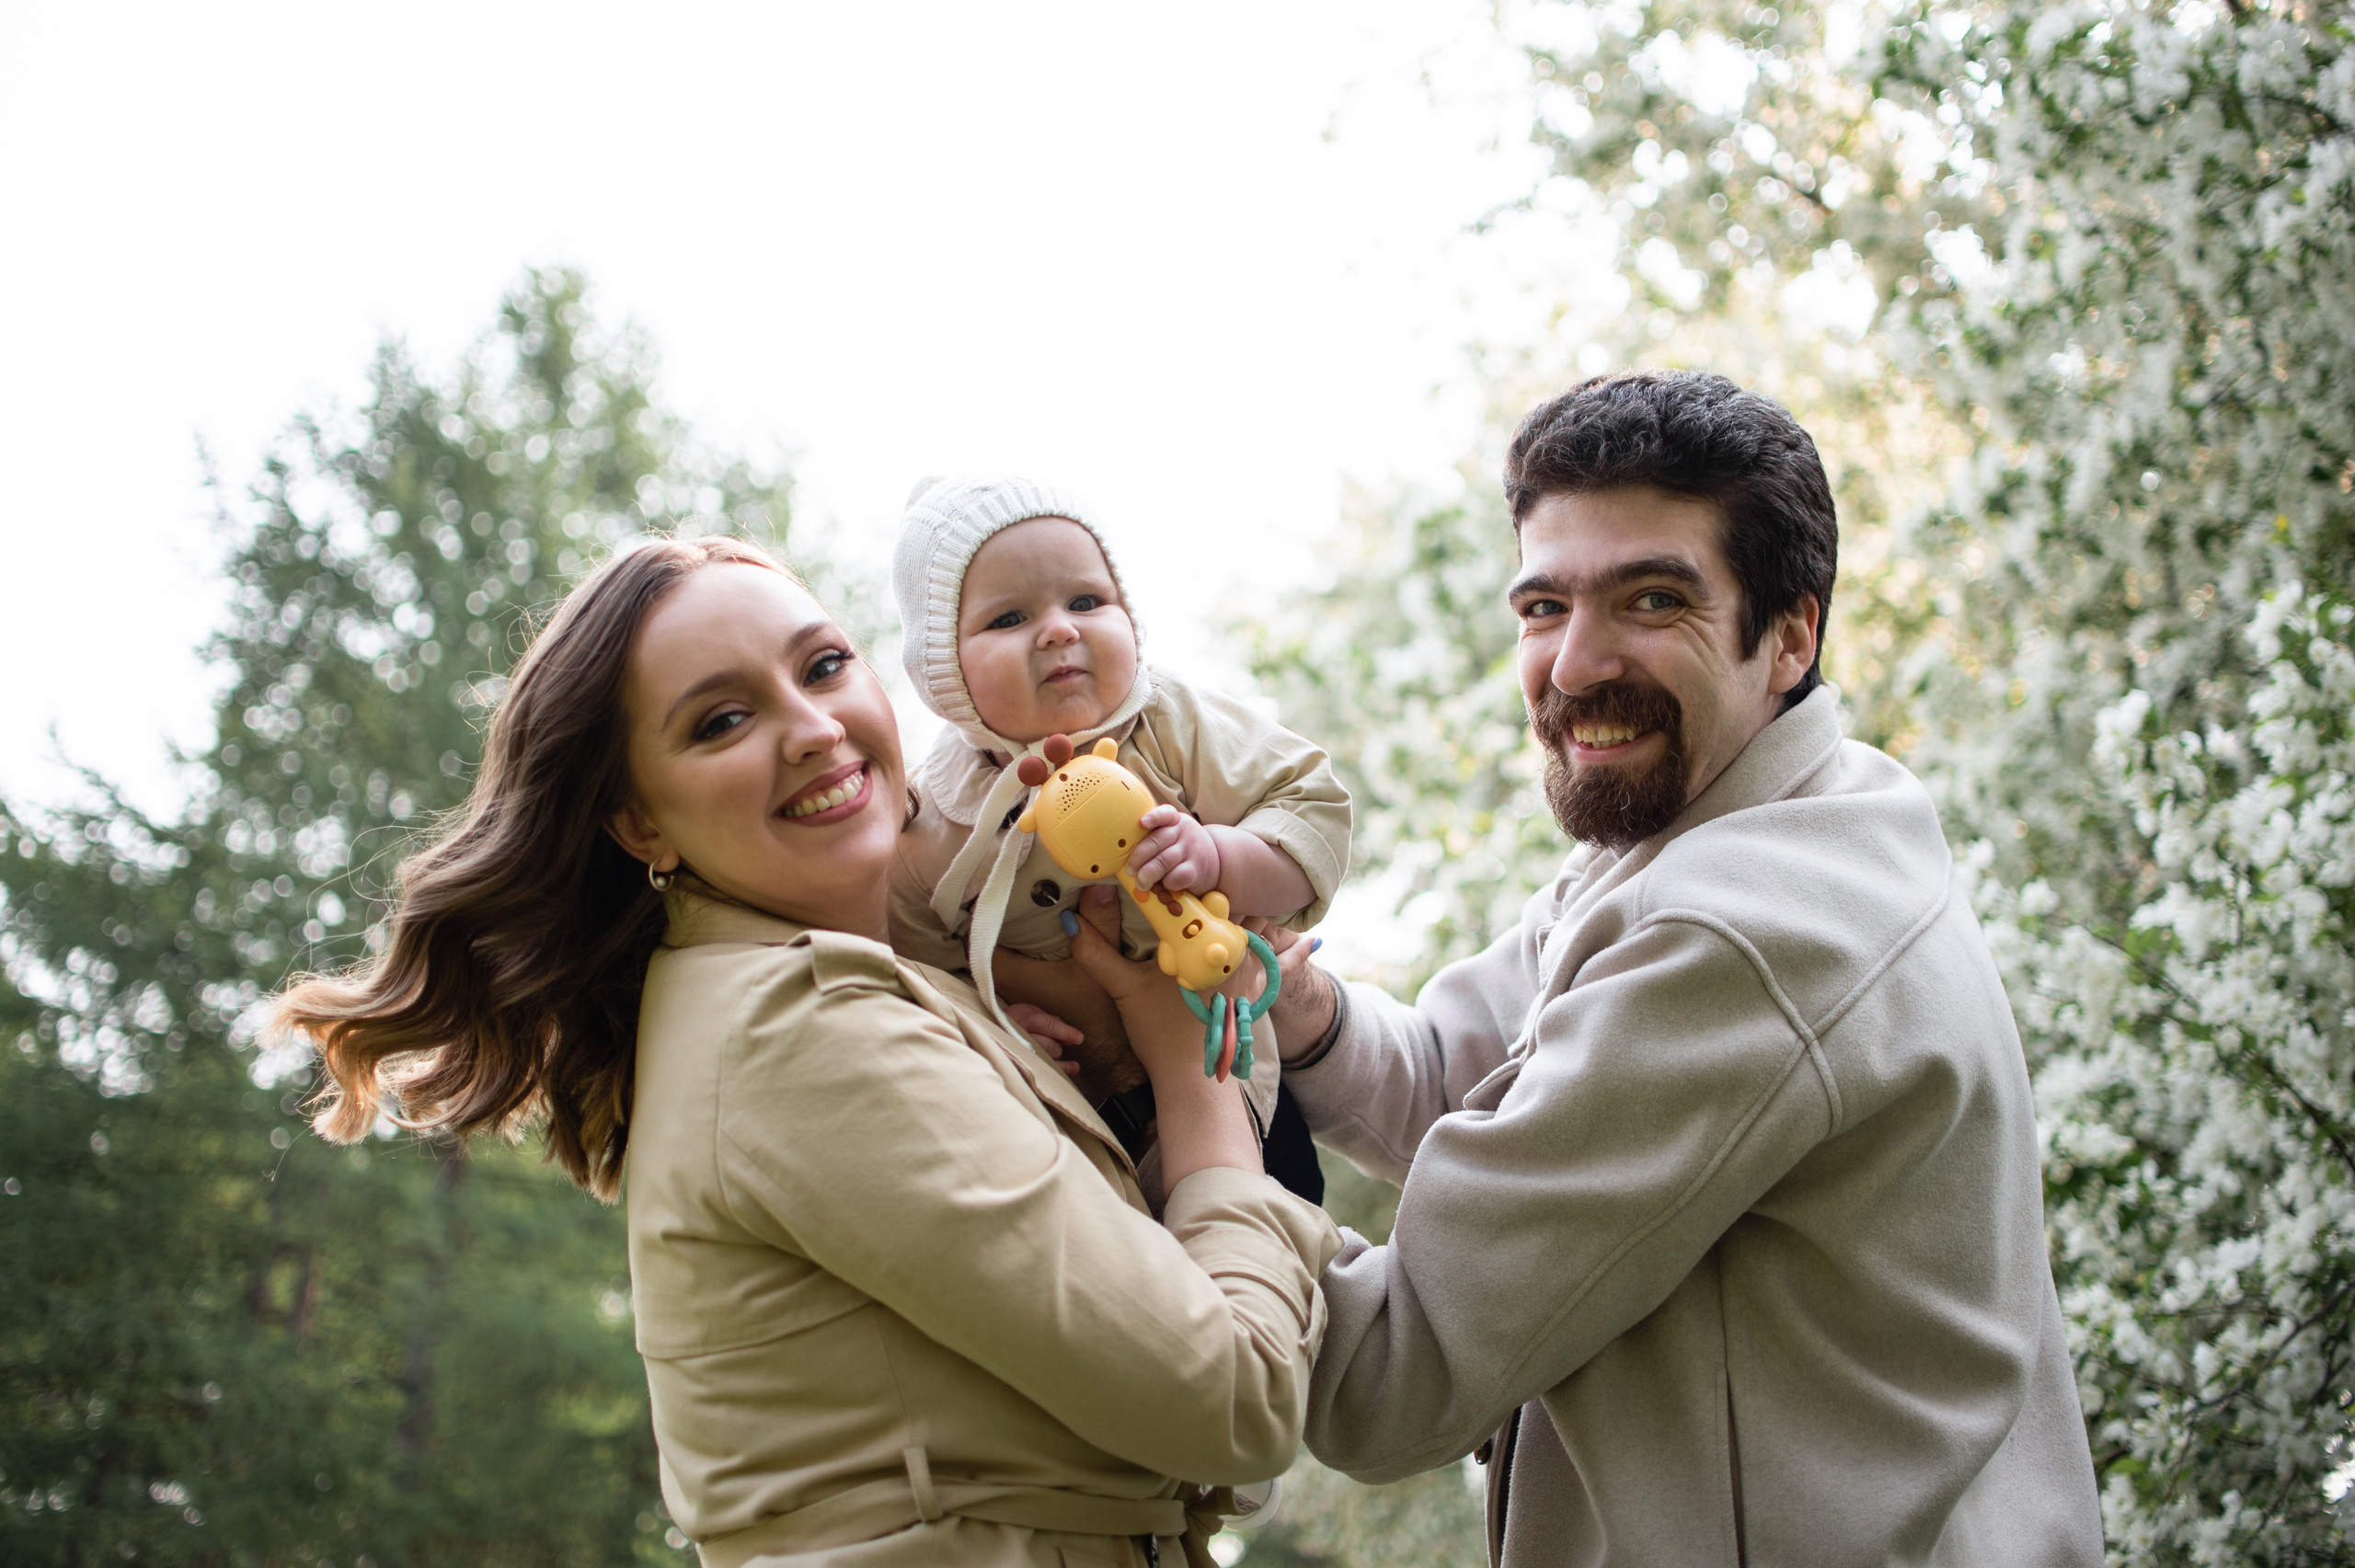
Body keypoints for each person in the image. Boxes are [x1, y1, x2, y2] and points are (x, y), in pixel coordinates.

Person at [272, 535, 1340, 1568]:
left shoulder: (853, 992)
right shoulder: (796, 1024)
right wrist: (1194, 1065)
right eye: (722, 719)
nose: (814, 729)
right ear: (640, 824)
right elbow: (1234, 1401)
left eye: (824, 666)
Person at [1263, 372, 2105, 1565]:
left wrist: (1155, 1126)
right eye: (1544, 605)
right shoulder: (1763, 812)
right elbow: (1464, 1079)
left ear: (1791, 635)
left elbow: (1393, 1372)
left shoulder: (1739, 930)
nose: (1573, 665)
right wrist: (1288, 1004)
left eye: (1651, 600)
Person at [888, 476, 1349, 1205]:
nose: (1059, 630)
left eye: (1085, 601)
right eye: (1009, 616)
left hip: (1224, 1073)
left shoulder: (1168, 722)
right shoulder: (936, 813)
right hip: (1069, 1121)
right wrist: (983, 1017)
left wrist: (1223, 857)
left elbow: (1312, 804)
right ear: (941, 670)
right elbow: (909, 960)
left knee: (1275, 1224)